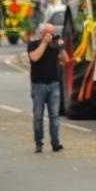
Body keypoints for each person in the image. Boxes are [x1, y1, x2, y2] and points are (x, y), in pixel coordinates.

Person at [27, 21, 69, 153]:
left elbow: (65, 61)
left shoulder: (54, 46)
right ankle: (38, 143)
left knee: (54, 116)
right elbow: (34, 57)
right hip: (38, 85)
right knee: (38, 116)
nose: (50, 36)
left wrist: (61, 48)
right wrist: (44, 43)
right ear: (42, 34)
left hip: (54, 85)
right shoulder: (33, 44)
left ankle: (55, 143)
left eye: (52, 33)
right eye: (47, 34)